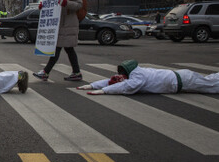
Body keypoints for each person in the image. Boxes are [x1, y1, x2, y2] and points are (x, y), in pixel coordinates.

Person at [33, 0, 84, 81]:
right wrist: (44, 7)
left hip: (68, 24)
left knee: (59, 49)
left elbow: (79, 5)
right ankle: (75, 72)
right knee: (65, 49)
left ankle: (46, 72)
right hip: (60, 25)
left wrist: (66, 3)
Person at [77, 59, 219, 95]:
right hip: (181, 79)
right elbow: (112, 80)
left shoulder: (138, 77)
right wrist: (92, 85)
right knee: (210, 80)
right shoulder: (135, 73)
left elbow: (127, 86)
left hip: (184, 80)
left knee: (211, 86)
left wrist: (104, 91)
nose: (121, 76)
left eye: (123, 73)